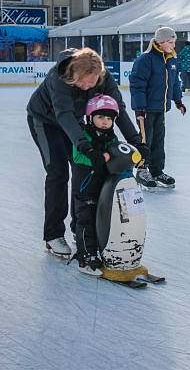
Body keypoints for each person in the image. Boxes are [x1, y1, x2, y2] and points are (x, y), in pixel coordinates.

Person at [27, 47, 146, 259]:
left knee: (84, 169)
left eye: (92, 83)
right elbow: (64, 115)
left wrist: (136, 141)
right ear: (74, 73)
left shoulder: (103, 77)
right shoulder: (59, 78)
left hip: (75, 121)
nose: (87, 87)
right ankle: (53, 235)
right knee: (58, 172)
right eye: (83, 82)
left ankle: (79, 228)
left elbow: (117, 109)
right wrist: (85, 147)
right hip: (45, 121)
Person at [129, 26, 186, 190]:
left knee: (159, 140)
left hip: (160, 108)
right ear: (161, 42)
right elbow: (137, 85)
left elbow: (175, 83)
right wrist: (139, 109)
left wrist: (178, 101)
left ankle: (156, 171)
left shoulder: (171, 59)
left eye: (174, 42)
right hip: (145, 110)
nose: (173, 46)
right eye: (171, 42)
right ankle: (141, 169)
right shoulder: (146, 60)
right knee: (146, 140)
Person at [71, 94, 121, 277]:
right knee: (86, 221)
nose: (105, 122)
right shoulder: (83, 136)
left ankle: (100, 249)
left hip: (103, 189)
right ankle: (85, 256)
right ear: (90, 117)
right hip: (85, 188)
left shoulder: (112, 138)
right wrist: (98, 158)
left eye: (109, 118)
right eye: (101, 117)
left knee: (101, 220)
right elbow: (78, 157)